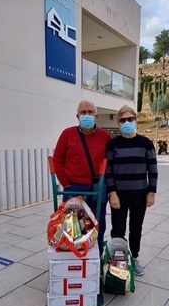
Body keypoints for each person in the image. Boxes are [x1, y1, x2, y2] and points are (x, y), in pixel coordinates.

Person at [53, 100, 112, 254]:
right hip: (72, 188)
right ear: (77, 115)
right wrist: (66, 184)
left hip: (96, 188)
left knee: (96, 224)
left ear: (96, 115)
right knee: (71, 226)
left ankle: (95, 258)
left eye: (90, 112)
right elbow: (58, 160)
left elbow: (111, 162)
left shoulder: (105, 137)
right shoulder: (67, 134)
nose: (87, 115)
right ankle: (72, 256)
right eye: (83, 112)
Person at [105, 105, 158, 275]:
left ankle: (134, 258)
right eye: (123, 120)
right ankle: (117, 260)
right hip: (118, 197)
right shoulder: (113, 144)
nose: (127, 122)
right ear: (119, 123)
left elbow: (153, 169)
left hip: (139, 196)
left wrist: (151, 192)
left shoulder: (146, 143)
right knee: (118, 229)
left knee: (136, 228)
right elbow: (109, 170)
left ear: (135, 120)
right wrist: (112, 193)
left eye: (130, 119)